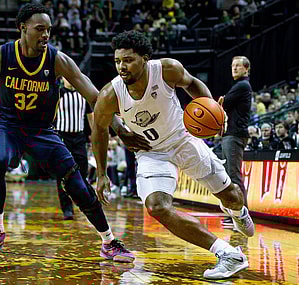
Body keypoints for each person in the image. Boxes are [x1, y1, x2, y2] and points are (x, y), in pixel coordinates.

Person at [0, 3, 149, 261]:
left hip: (41, 130)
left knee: (77, 183)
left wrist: (120, 128)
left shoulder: (58, 60)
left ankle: (108, 241)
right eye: (39, 29)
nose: (46, 35)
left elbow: (94, 95)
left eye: (48, 30)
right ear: (22, 28)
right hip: (6, 125)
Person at [91, 30, 255, 280]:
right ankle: (229, 254)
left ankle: (237, 212)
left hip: (184, 140)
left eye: (128, 60)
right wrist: (101, 174)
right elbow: (99, 131)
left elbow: (191, 84)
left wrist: (212, 109)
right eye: (118, 61)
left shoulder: (166, 69)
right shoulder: (110, 95)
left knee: (232, 196)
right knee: (156, 207)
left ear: (145, 58)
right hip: (151, 153)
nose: (122, 67)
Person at [54, 77, 93, 220]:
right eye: (66, 77)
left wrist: (95, 135)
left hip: (79, 137)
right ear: (63, 79)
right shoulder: (58, 93)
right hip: (62, 136)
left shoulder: (83, 94)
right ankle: (67, 208)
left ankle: (81, 202)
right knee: (63, 174)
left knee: (82, 173)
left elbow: (90, 116)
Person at [220, 56, 252, 229]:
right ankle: (234, 215)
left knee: (234, 177)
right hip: (230, 134)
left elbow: (221, 103)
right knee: (229, 176)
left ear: (246, 69)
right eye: (233, 66)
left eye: (238, 66)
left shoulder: (242, 85)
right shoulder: (238, 86)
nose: (234, 68)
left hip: (235, 135)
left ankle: (242, 217)